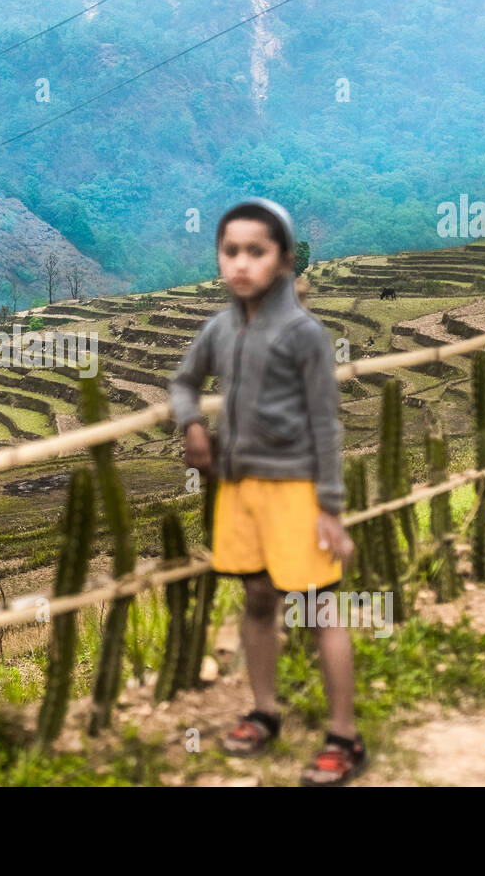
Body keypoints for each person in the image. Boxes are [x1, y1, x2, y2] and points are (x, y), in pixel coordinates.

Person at [168, 197, 366, 786]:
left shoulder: (305, 334)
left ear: (283, 259)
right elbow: (182, 383)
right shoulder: (220, 328)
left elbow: (327, 424)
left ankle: (343, 736)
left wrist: (330, 509)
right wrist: (194, 424)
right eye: (231, 251)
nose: (242, 263)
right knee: (257, 598)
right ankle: (263, 712)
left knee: (320, 607)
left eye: (257, 251)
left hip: (297, 491)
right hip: (240, 488)